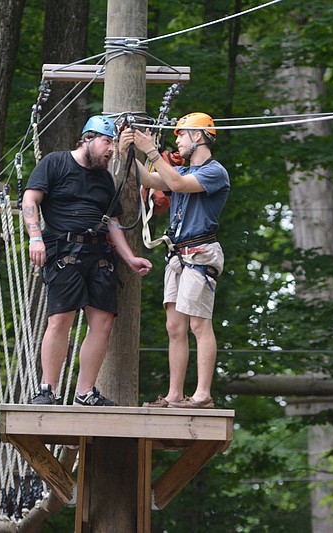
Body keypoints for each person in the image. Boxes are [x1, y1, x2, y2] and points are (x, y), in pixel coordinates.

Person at [22, 115, 153, 406]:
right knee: (60, 319)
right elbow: (30, 201)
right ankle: (47, 390)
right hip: (64, 250)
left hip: (99, 254)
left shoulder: (105, 178)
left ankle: (85, 392)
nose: (110, 150)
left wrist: (130, 258)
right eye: (107, 142)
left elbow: (114, 223)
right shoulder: (55, 163)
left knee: (103, 321)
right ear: (88, 138)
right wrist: (35, 237)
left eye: (112, 144)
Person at [119, 112, 230, 409]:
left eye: (181, 134)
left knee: (198, 324)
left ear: (198, 136)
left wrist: (151, 150)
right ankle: (174, 395)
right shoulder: (178, 172)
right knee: (175, 327)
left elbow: (178, 185)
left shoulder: (214, 172)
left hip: (199, 252)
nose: (177, 140)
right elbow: (149, 178)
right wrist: (129, 153)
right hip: (179, 255)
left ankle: (203, 394)